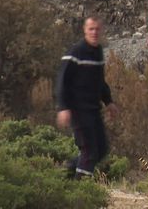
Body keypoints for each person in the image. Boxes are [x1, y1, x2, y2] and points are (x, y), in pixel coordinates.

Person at [56, 16, 119, 179]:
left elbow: (99, 81)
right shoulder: (75, 53)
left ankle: (64, 174)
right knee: (89, 151)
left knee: (101, 149)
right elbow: (62, 81)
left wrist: (109, 102)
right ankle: (81, 192)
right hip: (78, 110)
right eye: (91, 29)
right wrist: (63, 107)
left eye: (97, 29)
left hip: (93, 110)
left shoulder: (97, 52)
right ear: (85, 30)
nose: (94, 32)